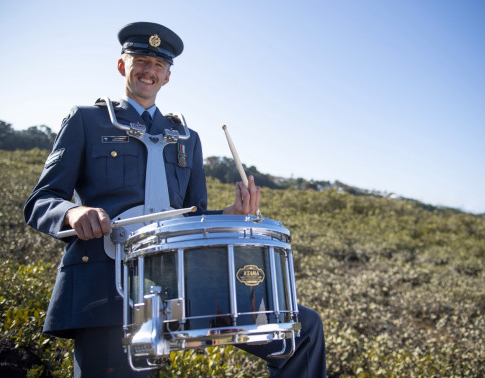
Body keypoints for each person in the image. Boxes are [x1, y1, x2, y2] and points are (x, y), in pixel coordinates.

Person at [24, 22, 326, 377]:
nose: (149, 70)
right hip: (107, 287)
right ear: (123, 66)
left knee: (303, 330)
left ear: (167, 76)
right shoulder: (86, 121)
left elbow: (193, 217)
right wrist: (74, 212)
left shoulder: (186, 137)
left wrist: (231, 214)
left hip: (180, 287)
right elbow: (41, 201)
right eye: (141, 60)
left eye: (158, 65)